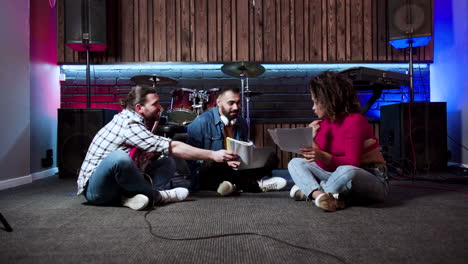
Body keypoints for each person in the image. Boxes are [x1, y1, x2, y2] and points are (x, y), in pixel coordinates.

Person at [77, 86, 238, 211]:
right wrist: (213, 154)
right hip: (97, 191)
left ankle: (130, 198)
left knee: (167, 162)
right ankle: (159, 196)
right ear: (139, 108)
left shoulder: (137, 121)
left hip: (117, 185)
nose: (160, 107)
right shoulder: (129, 125)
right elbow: (172, 146)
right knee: (118, 158)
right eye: (155, 104)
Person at [287, 71, 389, 212]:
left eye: (316, 102)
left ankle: (309, 191)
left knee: (346, 170)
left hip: (369, 177)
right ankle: (320, 196)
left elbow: (353, 164)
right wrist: (312, 139)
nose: (313, 107)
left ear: (330, 100)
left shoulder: (355, 121)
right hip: (336, 177)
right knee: (295, 163)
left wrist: (322, 155)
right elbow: (324, 165)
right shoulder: (323, 125)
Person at [186, 87, 286, 196]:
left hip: (236, 166)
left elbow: (242, 149)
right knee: (213, 165)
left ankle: (231, 186)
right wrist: (222, 161)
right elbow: (192, 160)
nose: (236, 107)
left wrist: (251, 155)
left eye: (238, 103)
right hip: (212, 169)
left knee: (271, 158)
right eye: (231, 103)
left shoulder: (241, 123)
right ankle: (256, 186)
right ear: (219, 102)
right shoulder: (200, 122)